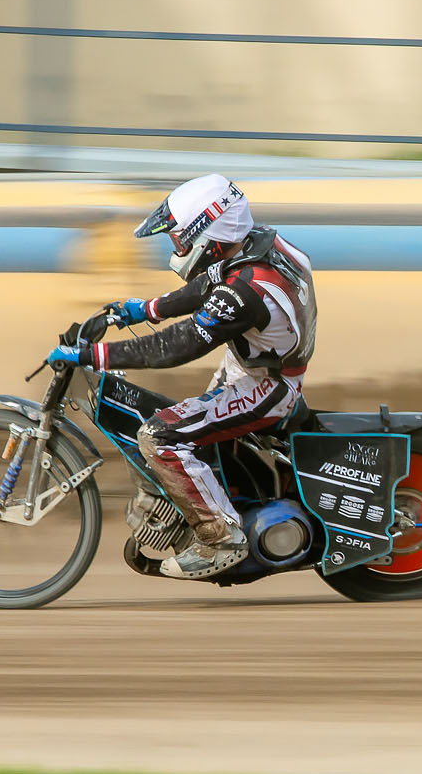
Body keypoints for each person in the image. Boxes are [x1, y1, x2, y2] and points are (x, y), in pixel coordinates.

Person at [45, 173, 315, 580]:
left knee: (160, 435)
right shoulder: (257, 245)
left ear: (211, 237)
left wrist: (92, 354)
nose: (176, 247)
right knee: (192, 433)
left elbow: (177, 346)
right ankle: (186, 506)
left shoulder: (246, 293)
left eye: (180, 239)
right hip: (253, 366)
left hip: (266, 386)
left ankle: (221, 539)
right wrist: (139, 310)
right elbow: (207, 285)